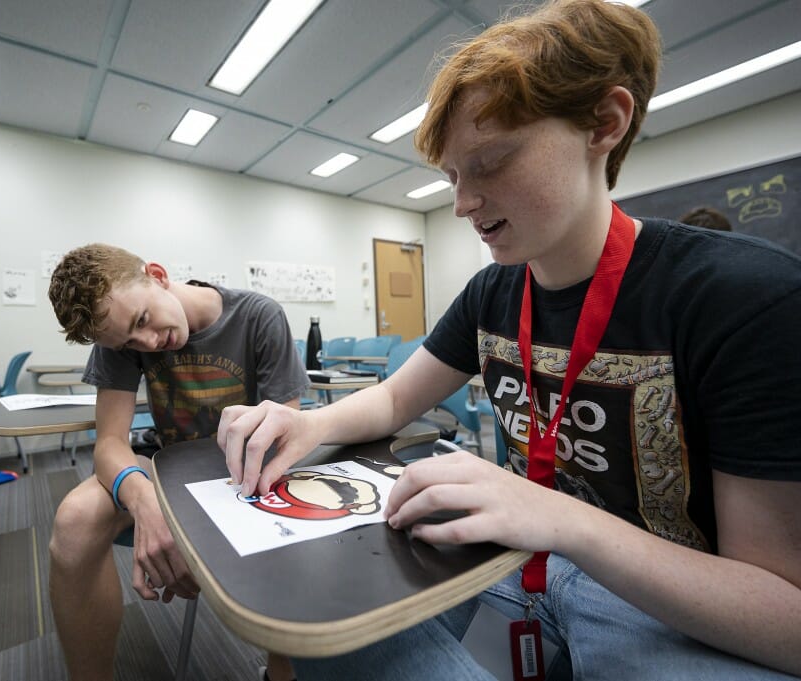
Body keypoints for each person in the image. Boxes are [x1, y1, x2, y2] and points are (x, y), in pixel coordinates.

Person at [217, 1, 801, 679]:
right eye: (452, 177)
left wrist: (558, 517)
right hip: (518, 562)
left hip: (664, 600)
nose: (463, 203)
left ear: (603, 125)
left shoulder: (739, 295)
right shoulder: (493, 293)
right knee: (322, 622)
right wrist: (304, 420)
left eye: (489, 162)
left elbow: (784, 617)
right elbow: (390, 403)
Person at [47, 244, 310, 681]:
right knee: (74, 521)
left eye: (143, 322)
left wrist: (196, 517)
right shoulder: (117, 330)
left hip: (246, 466)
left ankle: (281, 671)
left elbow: (282, 437)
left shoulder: (259, 316)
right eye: (131, 342)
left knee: (288, 516)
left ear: (158, 275)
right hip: (164, 469)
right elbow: (109, 444)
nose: (148, 343)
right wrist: (146, 503)